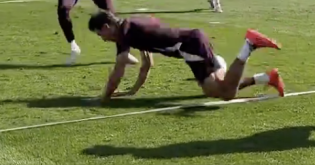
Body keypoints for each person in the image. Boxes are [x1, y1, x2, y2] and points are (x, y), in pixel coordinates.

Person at [87, 11, 285, 102]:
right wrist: (133, 91)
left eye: (99, 34)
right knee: (219, 89)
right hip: (193, 41)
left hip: (190, 45)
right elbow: (146, 63)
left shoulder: (126, 34)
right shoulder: (129, 28)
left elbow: (118, 70)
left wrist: (103, 97)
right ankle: (267, 78)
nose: (102, 39)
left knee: (224, 93)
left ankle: (248, 46)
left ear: (106, 27)